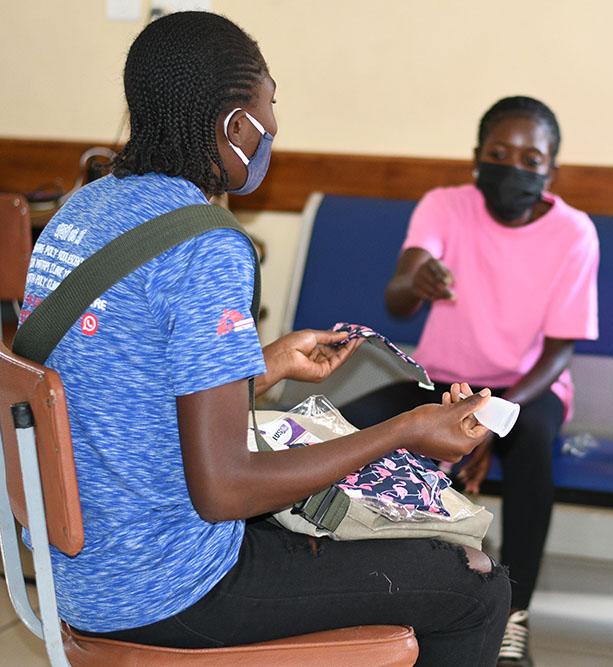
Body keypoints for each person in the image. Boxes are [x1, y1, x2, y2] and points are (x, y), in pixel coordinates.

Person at [19, 12, 510, 666]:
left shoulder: (80, 211)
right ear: (234, 125)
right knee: (473, 581)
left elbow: (118, 383)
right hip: (174, 588)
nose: (274, 125)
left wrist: (268, 362)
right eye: (269, 103)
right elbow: (224, 487)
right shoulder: (207, 242)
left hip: (76, 574)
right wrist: (408, 427)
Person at [340, 95, 600, 666]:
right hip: (444, 380)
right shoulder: (445, 205)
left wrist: (491, 416)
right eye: (499, 153)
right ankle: (364, 593)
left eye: (532, 159)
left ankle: (516, 615)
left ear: (552, 170)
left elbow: (560, 352)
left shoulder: (574, 233)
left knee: (530, 442)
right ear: (476, 159)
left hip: (527, 389)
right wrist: (417, 278)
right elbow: (398, 297)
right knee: (352, 423)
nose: (515, 167)